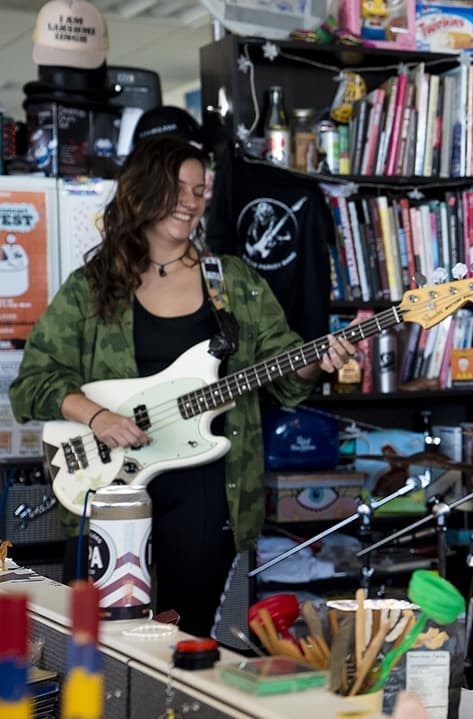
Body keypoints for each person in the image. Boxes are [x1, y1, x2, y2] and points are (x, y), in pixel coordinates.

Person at [10, 136, 356, 636]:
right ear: (142, 191)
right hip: (111, 485)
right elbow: (33, 383)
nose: (192, 201)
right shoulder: (93, 285)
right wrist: (98, 416)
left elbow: (284, 375)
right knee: (100, 635)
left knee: (181, 631)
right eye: (179, 187)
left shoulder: (232, 281)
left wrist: (319, 361)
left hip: (207, 488)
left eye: (200, 190)